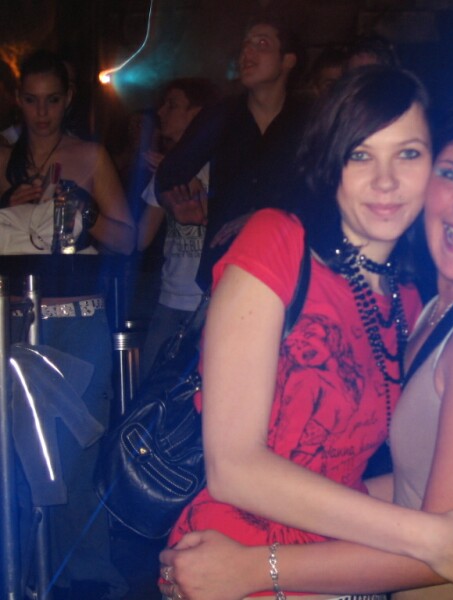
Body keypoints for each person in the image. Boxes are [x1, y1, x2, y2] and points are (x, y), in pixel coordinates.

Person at [158, 69, 453, 600]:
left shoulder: (411, 301)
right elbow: (232, 466)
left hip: (327, 571)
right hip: (233, 558)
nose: (386, 181)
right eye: (361, 155)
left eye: (408, 154)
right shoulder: (282, 244)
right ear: (331, 164)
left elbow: (411, 480)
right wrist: (430, 536)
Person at [0, 49, 135, 599]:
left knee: (76, 453)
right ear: (17, 99)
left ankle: (85, 576)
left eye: (52, 100)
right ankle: (27, 570)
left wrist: (87, 212)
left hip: (79, 321)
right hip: (14, 322)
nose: (41, 113)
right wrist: (7, 202)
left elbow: (129, 239)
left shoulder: (88, 154)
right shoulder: (3, 156)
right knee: (20, 457)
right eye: (32, 100)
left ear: (68, 99)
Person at [156, 10, 309, 290]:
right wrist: (174, 204)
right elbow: (169, 175)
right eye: (245, 45)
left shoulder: (310, 119)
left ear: (288, 60)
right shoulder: (222, 115)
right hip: (227, 266)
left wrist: (267, 218)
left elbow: (326, 189)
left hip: (292, 268)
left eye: (261, 44)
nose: (247, 52)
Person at [137, 77, 220, 378]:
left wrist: (197, 188)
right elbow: (139, 239)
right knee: (151, 387)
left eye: (172, 105)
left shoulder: (228, 163)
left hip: (215, 300)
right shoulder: (167, 169)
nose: (161, 112)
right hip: (170, 299)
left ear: (197, 114)